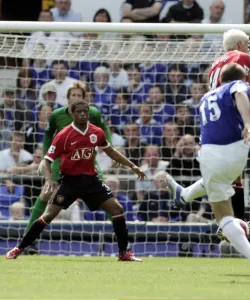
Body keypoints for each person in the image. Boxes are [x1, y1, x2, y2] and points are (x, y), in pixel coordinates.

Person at [174, 63, 250, 281]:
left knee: (224, 217)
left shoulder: (205, 99)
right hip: (237, 156)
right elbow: (241, 94)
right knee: (219, 181)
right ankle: (185, 195)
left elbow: (240, 94)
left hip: (210, 153)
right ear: (241, 78)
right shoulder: (237, 87)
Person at [167, 28, 250, 237]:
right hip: (228, 116)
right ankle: (235, 224)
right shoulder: (241, 56)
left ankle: (227, 220)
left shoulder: (215, 64)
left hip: (212, 118)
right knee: (232, 173)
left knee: (230, 176)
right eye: (247, 44)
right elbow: (236, 89)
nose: (248, 49)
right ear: (240, 45)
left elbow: (226, 89)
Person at [6, 99, 146, 261]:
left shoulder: (96, 132)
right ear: (72, 114)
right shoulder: (63, 135)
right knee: (48, 215)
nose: (82, 114)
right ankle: (18, 248)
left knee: (117, 209)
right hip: (70, 182)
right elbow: (46, 161)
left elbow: (111, 152)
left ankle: (124, 253)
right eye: (79, 111)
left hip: (91, 180)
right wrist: (50, 179)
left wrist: (132, 166)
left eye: (85, 111)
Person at [22, 82, 111, 254]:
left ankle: (123, 242)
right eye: (73, 96)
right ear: (68, 98)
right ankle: (28, 240)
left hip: (87, 161)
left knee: (107, 198)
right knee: (46, 193)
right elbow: (48, 135)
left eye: (79, 96)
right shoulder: (57, 115)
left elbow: (104, 129)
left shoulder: (93, 113)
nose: (76, 98)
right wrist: (48, 156)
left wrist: (108, 146)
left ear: (84, 99)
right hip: (62, 162)